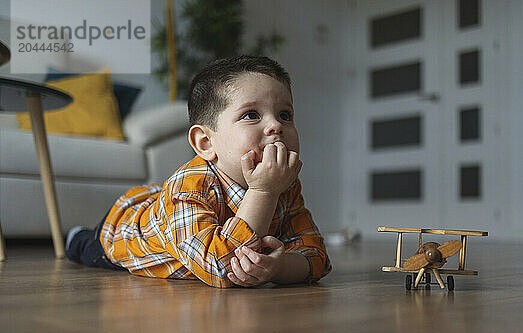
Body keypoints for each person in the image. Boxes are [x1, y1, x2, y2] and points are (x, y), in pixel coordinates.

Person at [65, 55, 331, 288]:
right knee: (90, 249)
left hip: (175, 212)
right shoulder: (191, 186)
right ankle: (78, 237)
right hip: (126, 232)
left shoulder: (285, 185)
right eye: (251, 115)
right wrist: (263, 191)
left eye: (285, 115)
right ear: (206, 143)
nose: (276, 125)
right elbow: (221, 268)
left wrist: (280, 268)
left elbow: (317, 255)